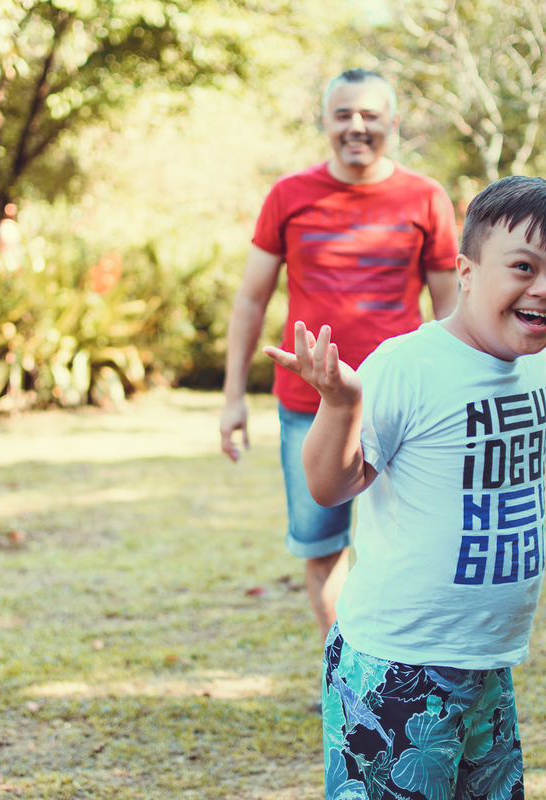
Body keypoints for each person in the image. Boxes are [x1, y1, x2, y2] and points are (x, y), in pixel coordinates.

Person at [265, 176, 546, 799]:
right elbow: (329, 485)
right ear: (466, 273)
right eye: (522, 268)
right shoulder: (409, 366)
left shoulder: (536, 369)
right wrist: (342, 403)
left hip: (487, 665)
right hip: (396, 665)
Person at [220, 69, 460, 642]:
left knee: (410, 542)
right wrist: (232, 398)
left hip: (402, 404)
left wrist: (456, 389)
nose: (357, 126)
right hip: (308, 404)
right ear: (325, 122)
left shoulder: (426, 197)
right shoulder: (288, 196)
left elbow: (451, 307)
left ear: (393, 123)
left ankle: (401, 664)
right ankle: (341, 671)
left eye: (371, 115)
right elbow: (251, 300)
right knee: (323, 546)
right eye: (344, 114)